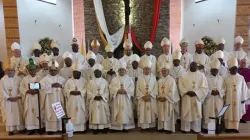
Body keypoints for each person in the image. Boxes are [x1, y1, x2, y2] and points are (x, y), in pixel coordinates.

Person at [179, 62, 208, 133]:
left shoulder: (201, 75)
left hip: (196, 97)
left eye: (194, 66)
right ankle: (186, 128)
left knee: (196, 112)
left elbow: (204, 87)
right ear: (189, 66)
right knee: (187, 111)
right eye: (192, 66)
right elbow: (180, 85)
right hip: (187, 96)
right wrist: (187, 92)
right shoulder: (184, 75)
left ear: (197, 67)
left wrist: (196, 93)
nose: (193, 67)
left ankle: (196, 128)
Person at [40, 59, 66, 135]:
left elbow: (66, 88)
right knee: (50, 113)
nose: (53, 72)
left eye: (54, 70)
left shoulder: (61, 79)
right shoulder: (44, 79)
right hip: (49, 100)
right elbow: (41, 88)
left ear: (57, 70)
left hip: (58, 99)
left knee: (59, 112)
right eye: (51, 70)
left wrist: (61, 85)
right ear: (49, 70)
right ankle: (50, 129)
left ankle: (59, 128)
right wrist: (51, 86)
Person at [224, 57, 249, 133]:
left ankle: (235, 127)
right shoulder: (226, 78)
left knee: (236, 112)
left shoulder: (241, 78)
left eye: (235, 68)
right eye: (232, 68)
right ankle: (228, 127)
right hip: (228, 99)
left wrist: (243, 98)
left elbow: (244, 89)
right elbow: (223, 89)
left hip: (238, 99)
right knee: (229, 112)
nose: (234, 70)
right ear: (229, 69)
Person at [0, 58, 25, 135]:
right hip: (8, 100)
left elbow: (22, 88)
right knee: (9, 114)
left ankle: (20, 128)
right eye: (8, 70)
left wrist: (18, 96)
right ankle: (10, 130)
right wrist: (8, 97)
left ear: (14, 71)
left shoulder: (19, 79)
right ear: (5, 71)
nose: (9, 72)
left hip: (17, 99)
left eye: (11, 70)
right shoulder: (2, 80)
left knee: (18, 113)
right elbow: (1, 90)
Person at [109, 60, 135, 132]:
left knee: (126, 112)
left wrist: (126, 91)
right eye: (120, 69)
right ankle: (116, 127)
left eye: (123, 69)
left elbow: (132, 87)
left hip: (126, 98)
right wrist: (117, 90)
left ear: (125, 70)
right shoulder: (114, 79)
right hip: (117, 98)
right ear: (118, 70)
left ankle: (126, 127)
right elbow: (111, 87)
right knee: (117, 112)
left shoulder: (129, 79)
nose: (121, 71)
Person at [19, 58, 44, 135]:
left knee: (38, 111)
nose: (32, 71)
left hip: (37, 98)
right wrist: (27, 91)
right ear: (28, 70)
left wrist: (38, 90)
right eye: (30, 70)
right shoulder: (25, 79)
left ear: (36, 70)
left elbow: (43, 87)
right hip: (29, 98)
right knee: (29, 112)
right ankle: (30, 128)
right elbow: (21, 88)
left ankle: (38, 127)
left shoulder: (40, 78)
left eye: (33, 69)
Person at [64, 61, 87, 132]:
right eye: (75, 72)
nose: (76, 74)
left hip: (81, 100)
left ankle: (82, 129)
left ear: (80, 73)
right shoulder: (69, 81)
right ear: (73, 73)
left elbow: (86, 89)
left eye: (78, 72)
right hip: (72, 100)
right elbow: (65, 89)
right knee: (72, 112)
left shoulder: (84, 81)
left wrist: (80, 92)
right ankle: (72, 128)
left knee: (81, 113)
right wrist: (71, 91)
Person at [87, 64, 110, 134]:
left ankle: (103, 128)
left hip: (102, 101)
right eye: (95, 72)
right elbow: (88, 91)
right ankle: (95, 128)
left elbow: (107, 91)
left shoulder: (105, 82)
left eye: (98, 72)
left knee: (103, 114)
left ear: (101, 72)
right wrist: (94, 96)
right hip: (94, 101)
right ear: (94, 73)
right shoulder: (90, 82)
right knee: (95, 114)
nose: (97, 73)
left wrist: (102, 96)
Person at [203, 59, 225, 132]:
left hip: (218, 99)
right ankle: (209, 129)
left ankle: (217, 128)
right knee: (209, 113)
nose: (214, 71)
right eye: (213, 70)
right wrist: (210, 92)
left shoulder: (221, 79)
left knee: (218, 113)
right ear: (210, 70)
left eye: (216, 70)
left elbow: (224, 89)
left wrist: (219, 92)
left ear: (218, 70)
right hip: (209, 99)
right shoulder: (206, 78)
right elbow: (204, 88)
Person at [136, 58, 158, 132]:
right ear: (143, 69)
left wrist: (150, 95)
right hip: (142, 98)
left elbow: (156, 88)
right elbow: (137, 88)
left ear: (150, 69)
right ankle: (143, 127)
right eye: (145, 69)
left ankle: (151, 127)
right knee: (143, 112)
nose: (147, 70)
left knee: (151, 112)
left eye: (148, 69)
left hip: (151, 98)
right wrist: (143, 96)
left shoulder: (154, 77)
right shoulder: (140, 78)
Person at [157, 63, 180, 133]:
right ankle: (161, 127)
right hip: (160, 100)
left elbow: (172, 91)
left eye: (165, 70)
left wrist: (166, 98)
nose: (163, 72)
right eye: (162, 71)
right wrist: (158, 97)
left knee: (168, 113)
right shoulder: (159, 81)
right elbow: (156, 90)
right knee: (161, 113)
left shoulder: (171, 80)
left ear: (168, 71)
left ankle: (169, 128)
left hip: (168, 100)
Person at [238, 59, 250, 123]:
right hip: (238, 89)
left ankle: (245, 118)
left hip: (246, 88)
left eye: (244, 63)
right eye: (242, 62)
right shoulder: (237, 70)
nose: (243, 64)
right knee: (239, 103)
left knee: (246, 103)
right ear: (239, 63)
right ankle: (239, 117)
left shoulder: (248, 70)